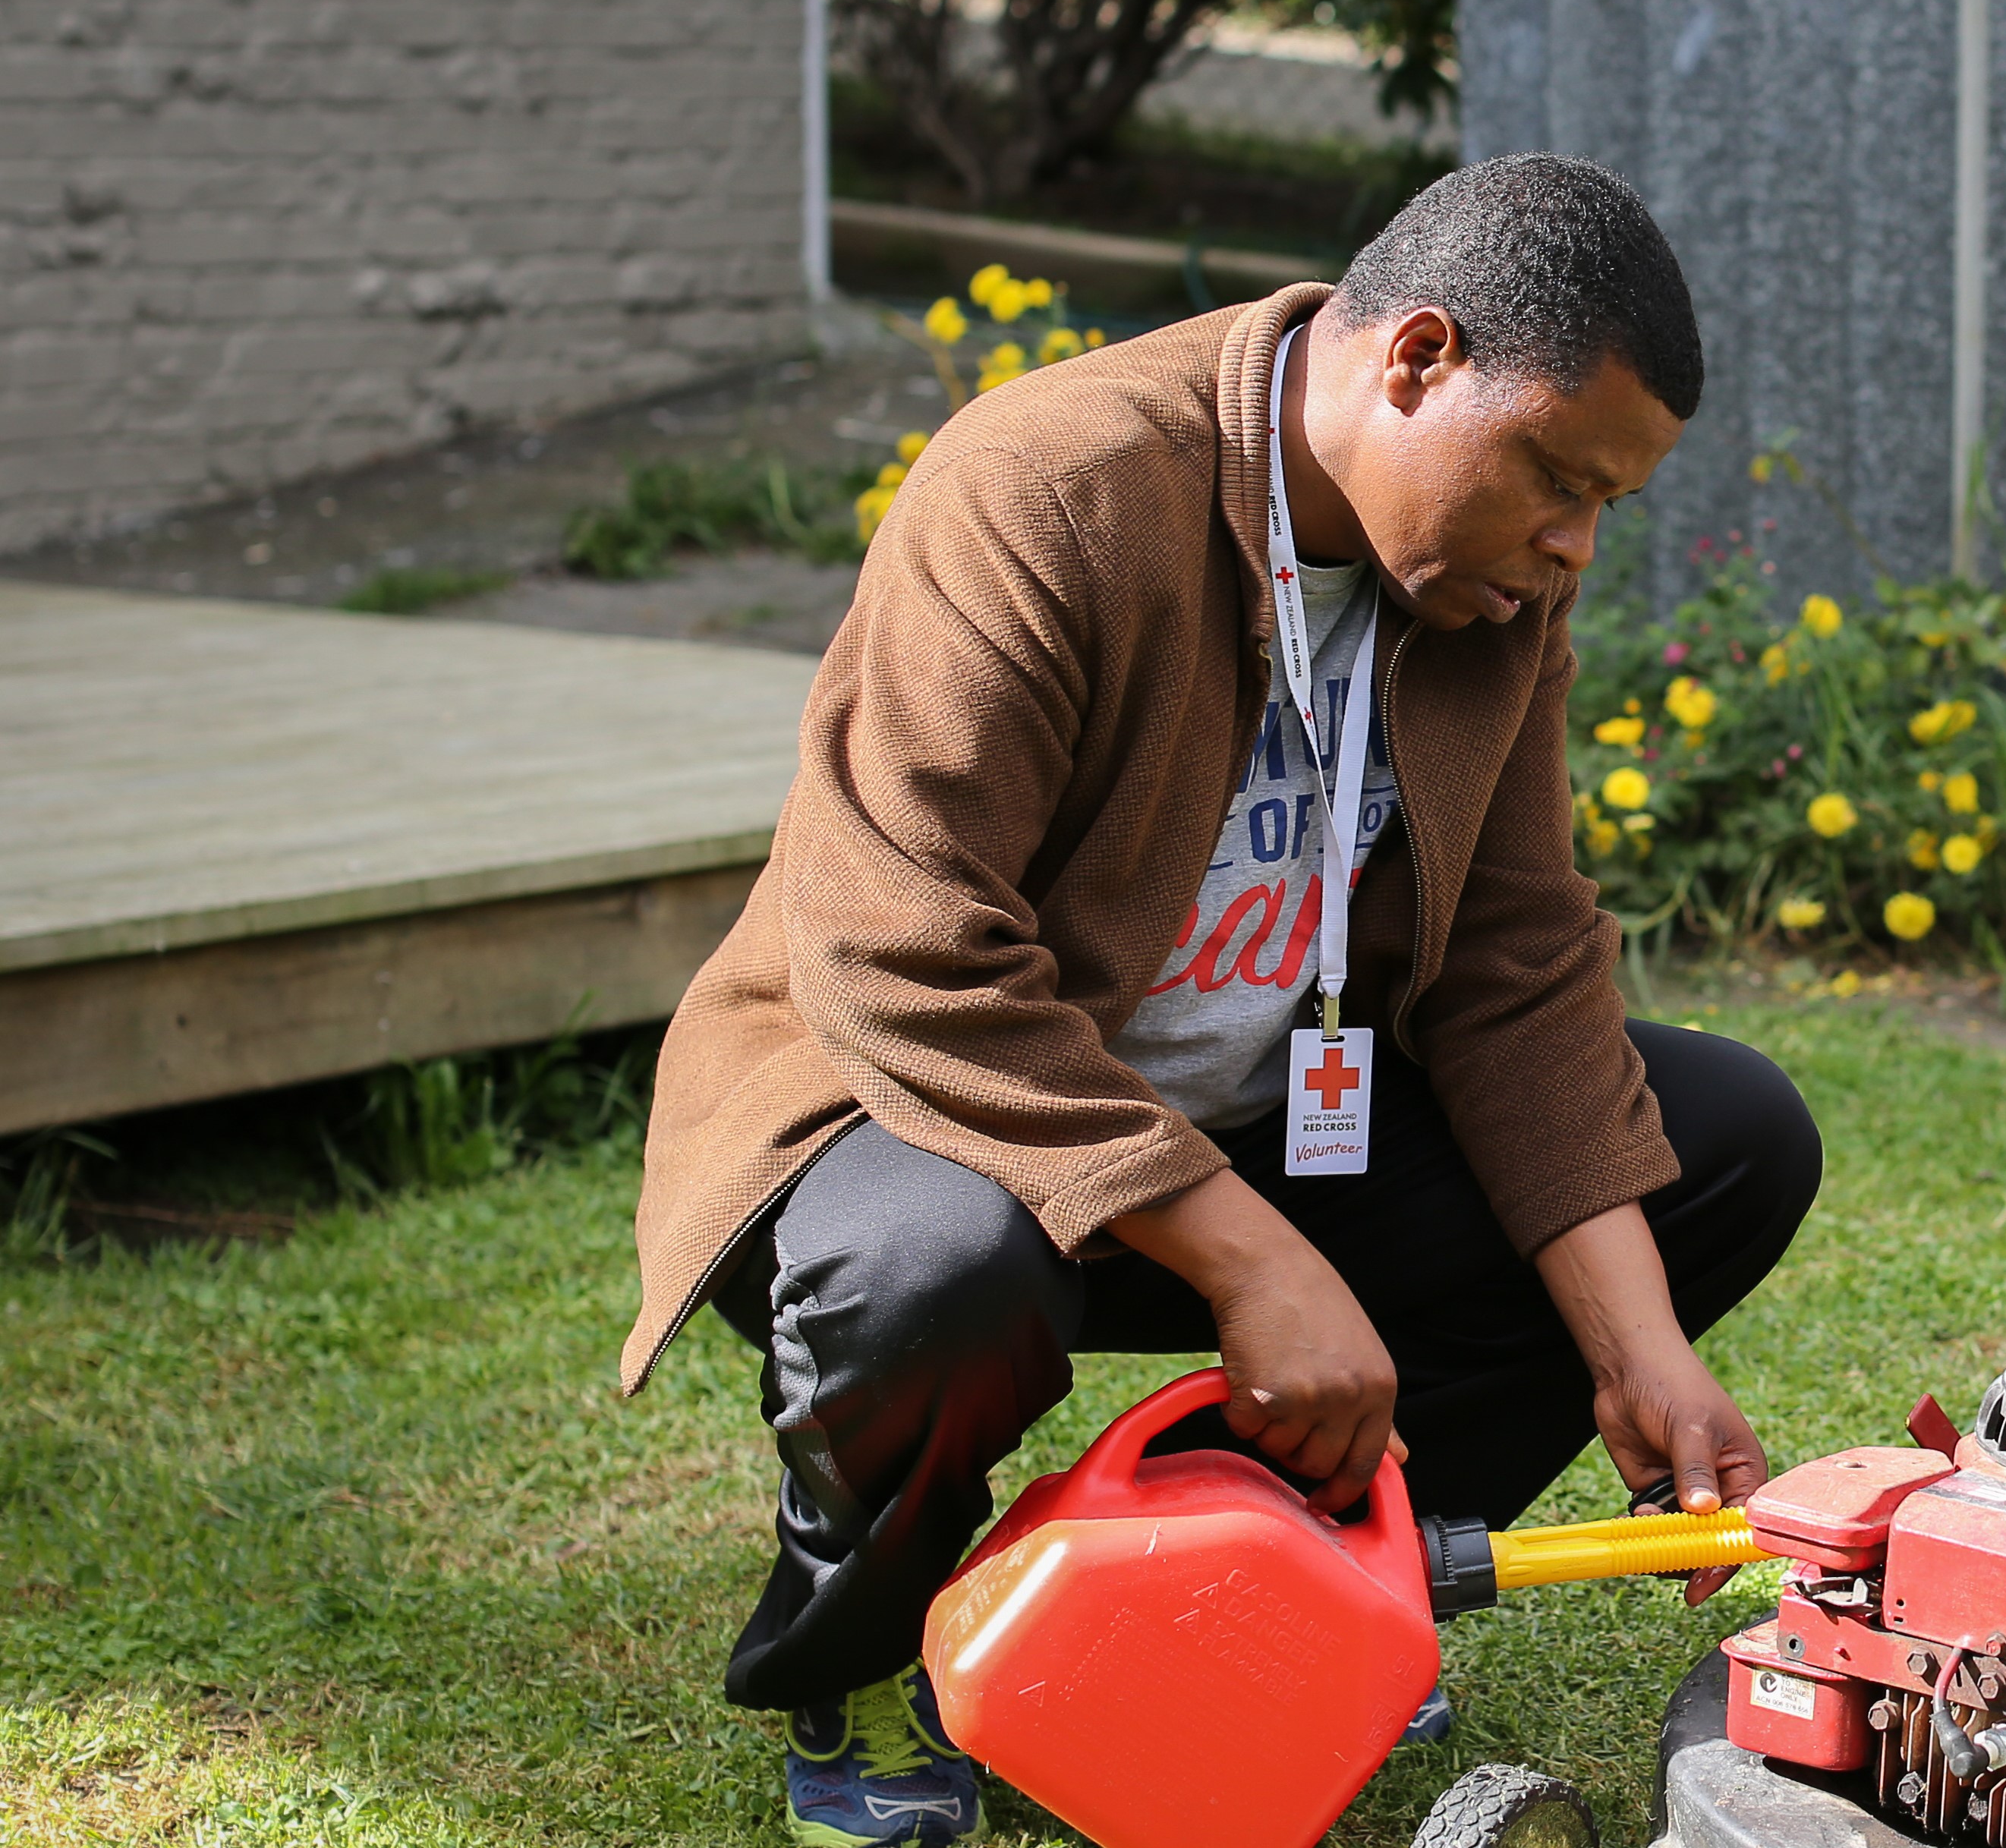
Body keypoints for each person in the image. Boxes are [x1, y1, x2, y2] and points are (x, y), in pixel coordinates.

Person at [619, 155, 1821, 1848]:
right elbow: (897, 951)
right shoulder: (1049, 487)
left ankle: (1309, 1597)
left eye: (1606, 502)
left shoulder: (1493, 587)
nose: (1572, 545)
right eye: (1557, 476)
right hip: (910, 1124)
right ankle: (873, 1652)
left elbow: (1518, 964)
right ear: (1410, 361)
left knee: (1728, 1140)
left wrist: (1643, 1358)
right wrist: (1258, 1261)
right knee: (936, 1273)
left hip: (1258, 1128)